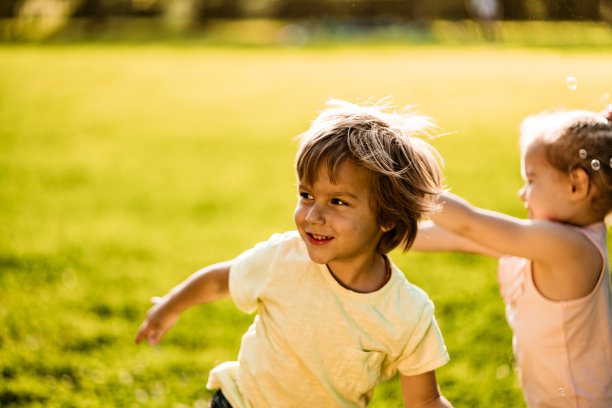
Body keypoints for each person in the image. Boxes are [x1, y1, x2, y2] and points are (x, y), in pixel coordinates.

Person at [135, 99, 454, 408]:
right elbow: (220, 280)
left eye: (338, 201)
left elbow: (424, 400)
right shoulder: (282, 258)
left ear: (388, 218)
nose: (313, 215)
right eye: (306, 195)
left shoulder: (408, 313)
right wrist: (169, 306)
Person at [413, 107, 612, 407]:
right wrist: (386, 236)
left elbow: (469, 223)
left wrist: (404, 182)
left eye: (531, 180)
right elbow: (463, 237)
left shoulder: (573, 250)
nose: (522, 193)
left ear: (577, 185)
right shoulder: (548, 242)